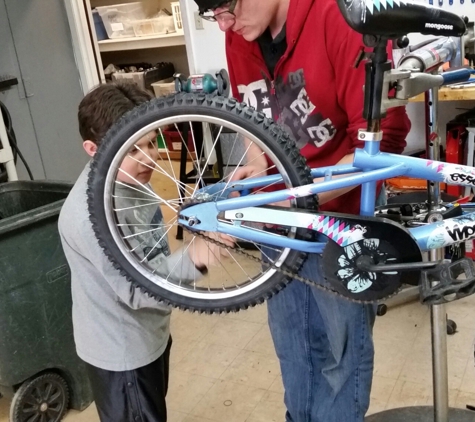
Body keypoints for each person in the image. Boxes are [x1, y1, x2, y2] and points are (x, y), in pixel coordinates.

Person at [193, 1, 411, 421]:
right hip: (284, 218)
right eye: (212, 15)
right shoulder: (239, 32)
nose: (223, 24)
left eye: (227, 7)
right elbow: (253, 118)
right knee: (294, 346)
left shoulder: (338, 18)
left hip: (343, 216)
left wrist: (299, 198)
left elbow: (383, 142)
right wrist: (258, 163)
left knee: (341, 349)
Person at [58, 81, 230, 422]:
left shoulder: (131, 179)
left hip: (148, 334)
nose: (149, 157)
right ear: (93, 149)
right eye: (133, 150)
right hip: (122, 354)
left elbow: (151, 253)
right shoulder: (89, 217)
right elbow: (139, 287)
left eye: (152, 142)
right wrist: (194, 258)